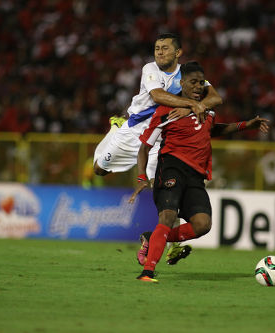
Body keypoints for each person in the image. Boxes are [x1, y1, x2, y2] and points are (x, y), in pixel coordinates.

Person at [129, 61, 269, 282]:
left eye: (201, 83)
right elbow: (145, 146)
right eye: (192, 82)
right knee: (168, 216)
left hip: (196, 176)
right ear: (181, 83)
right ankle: (147, 272)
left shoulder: (207, 110)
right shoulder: (167, 110)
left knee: (203, 225)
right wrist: (141, 176)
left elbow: (214, 129)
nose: (197, 87)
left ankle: (152, 238)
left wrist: (245, 125)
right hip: (171, 167)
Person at [91, 33, 223, 265]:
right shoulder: (150, 68)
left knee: (166, 192)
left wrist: (198, 104)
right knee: (99, 169)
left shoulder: (188, 74)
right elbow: (157, 95)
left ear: (178, 53)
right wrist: (191, 104)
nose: (160, 52)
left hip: (157, 137)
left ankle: (170, 246)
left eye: (164, 48)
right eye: (157, 48)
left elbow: (215, 97)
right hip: (132, 132)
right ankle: (115, 127)